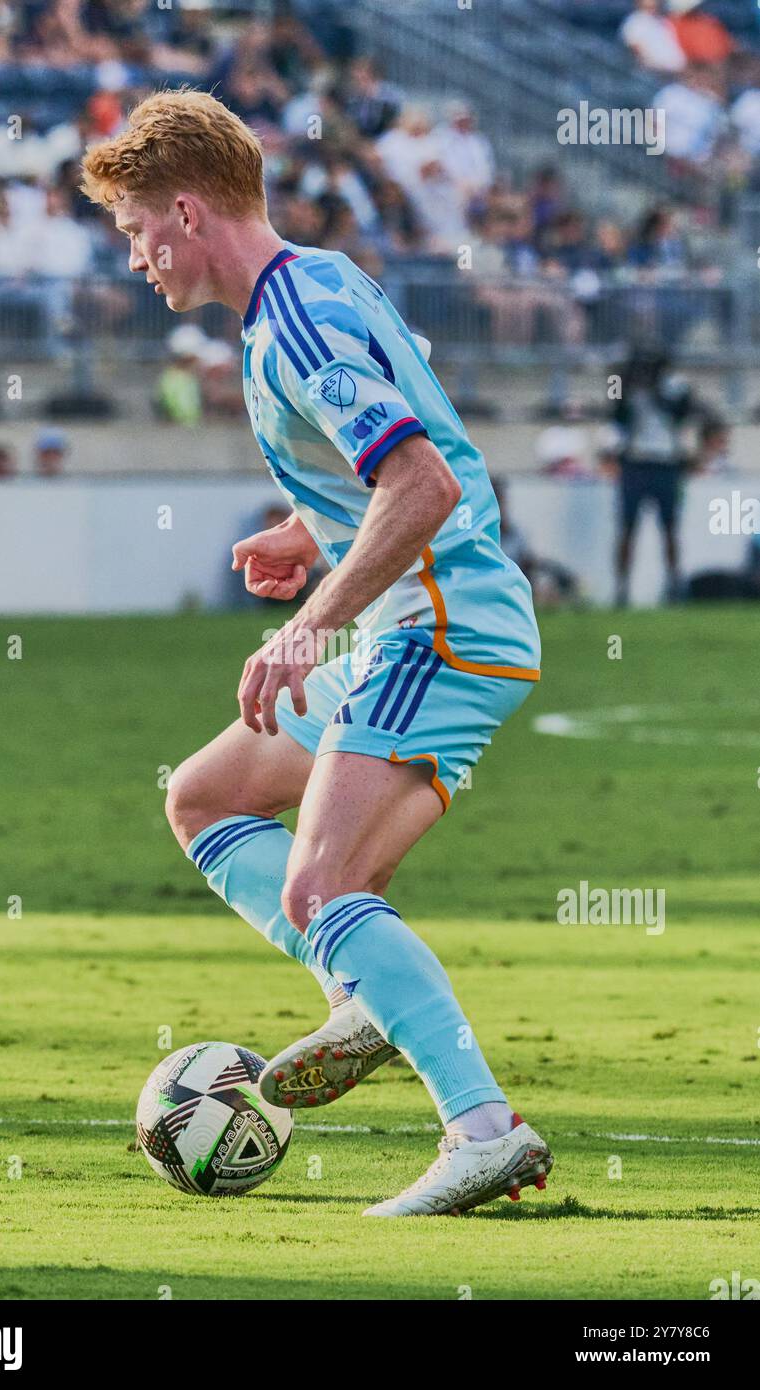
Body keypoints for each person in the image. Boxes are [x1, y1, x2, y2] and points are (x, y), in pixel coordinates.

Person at [81, 89, 551, 1218]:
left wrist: (307, 623)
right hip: (425, 618)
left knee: (322, 880)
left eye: (138, 228)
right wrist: (313, 530)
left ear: (187, 211)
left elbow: (425, 484)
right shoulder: (318, 281)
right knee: (205, 797)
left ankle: (482, 1128)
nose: (137, 257)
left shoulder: (295, 322)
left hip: (441, 626)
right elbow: (419, 440)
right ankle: (365, 992)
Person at [609, 345, 696, 605]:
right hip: (636, 462)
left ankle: (673, 585)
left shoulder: (677, 385)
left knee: (669, 527)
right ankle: (622, 588)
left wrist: (654, 390)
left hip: (666, 463)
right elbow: (617, 417)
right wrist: (626, 390)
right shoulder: (624, 385)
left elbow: (681, 415)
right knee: (627, 527)